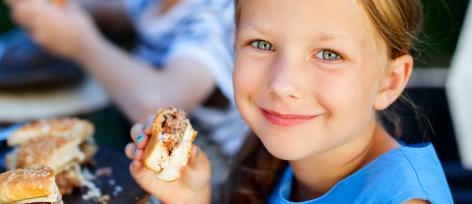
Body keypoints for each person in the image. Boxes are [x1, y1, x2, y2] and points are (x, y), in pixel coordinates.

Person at [125, 0, 454, 203]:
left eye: (328, 54)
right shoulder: (279, 158)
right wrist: (191, 200)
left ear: (390, 81)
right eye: (262, 44)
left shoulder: (400, 199)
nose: (282, 85)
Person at [5, 0, 248, 157]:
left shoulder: (215, 17)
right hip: (150, 162)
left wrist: (80, 42)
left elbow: (162, 107)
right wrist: (55, 9)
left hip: (214, 182)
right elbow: (106, 9)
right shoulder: (157, 3)